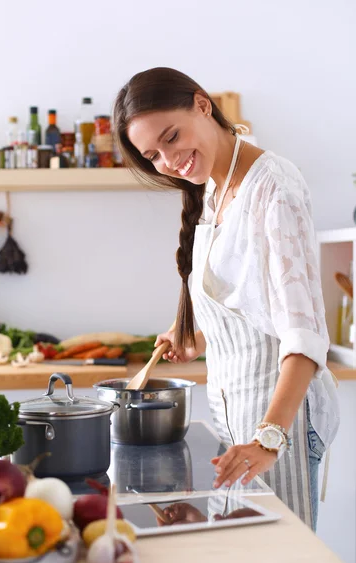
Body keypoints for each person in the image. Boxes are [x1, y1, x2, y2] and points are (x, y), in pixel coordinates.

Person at [113, 67, 340, 531]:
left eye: (172, 137)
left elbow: (305, 336)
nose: (169, 160)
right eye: (153, 155)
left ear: (202, 103)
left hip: (280, 426)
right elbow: (256, 307)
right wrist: (199, 337)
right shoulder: (216, 189)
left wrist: (269, 438)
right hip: (237, 422)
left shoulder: (274, 187)